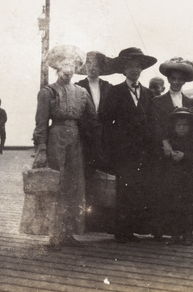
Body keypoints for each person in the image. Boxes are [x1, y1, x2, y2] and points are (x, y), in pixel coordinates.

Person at [25, 45, 99, 251]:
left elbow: (92, 119)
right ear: (58, 69)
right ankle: (54, 235)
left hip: (76, 141)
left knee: (73, 185)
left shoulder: (82, 92)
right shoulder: (48, 92)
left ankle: (67, 232)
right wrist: (41, 148)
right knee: (55, 184)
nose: (69, 71)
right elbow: (41, 123)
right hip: (55, 139)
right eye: (65, 67)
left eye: (72, 67)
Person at [100, 47, 161, 243]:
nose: (134, 70)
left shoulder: (148, 93)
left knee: (141, 187)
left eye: (138, 66)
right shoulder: (114, 92)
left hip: (144, 151)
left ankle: (135, 228)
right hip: (123, 151)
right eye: (130, 66)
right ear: (123, 70)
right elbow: (105, 122)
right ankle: (121, 231)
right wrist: (113, 147)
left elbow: (153, 122)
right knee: (124, 189)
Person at [152, 57, 193, 238]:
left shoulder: (190, 103)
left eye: (179, 79)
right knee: (168, 194)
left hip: (186, 155)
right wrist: (165, 143)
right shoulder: (158, 101)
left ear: (184, 81)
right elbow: (156, 126)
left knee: (187, 194)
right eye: (173, 78)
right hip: (166, 154)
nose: (176, 82)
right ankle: (169, 232)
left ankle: (187, 232)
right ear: (168, 80)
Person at [75, 51, 114, 231]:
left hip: (105, 139)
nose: (92, 68)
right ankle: (86, 222)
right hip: (85, 139)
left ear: (101, 68)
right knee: (86, 178)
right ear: (84, 67)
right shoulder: (78, 86)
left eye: (96, 65)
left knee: (105, 178)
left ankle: (103, 222)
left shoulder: (108, 87)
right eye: (89, 64)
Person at [161, 107, 193, 245]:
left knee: (189, 208)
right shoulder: (170, 141)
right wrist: (169, 154)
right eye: (179, 125)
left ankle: (188, 235)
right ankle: (175, 234)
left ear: (189, 126)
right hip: (173, 181)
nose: (181, 128)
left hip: (189, 181)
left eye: (184, 125)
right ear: (174, 127)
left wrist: (184, 156)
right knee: (174, 207)